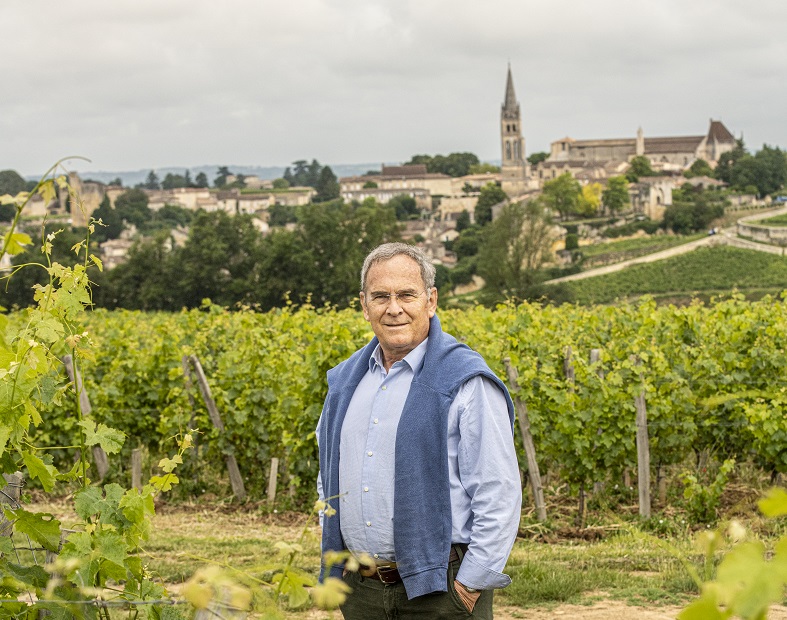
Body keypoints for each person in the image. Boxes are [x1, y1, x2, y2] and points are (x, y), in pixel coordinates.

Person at [317, 242, 521, 619]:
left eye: (406, 295)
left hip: (442, 591)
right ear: (364, 305)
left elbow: (498, 490)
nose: (393, 308)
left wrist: (470, 584)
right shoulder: (345, 382)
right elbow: (327, 476)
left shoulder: (464, 380)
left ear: (430, 301)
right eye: (380, 296)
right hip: (360, 591)